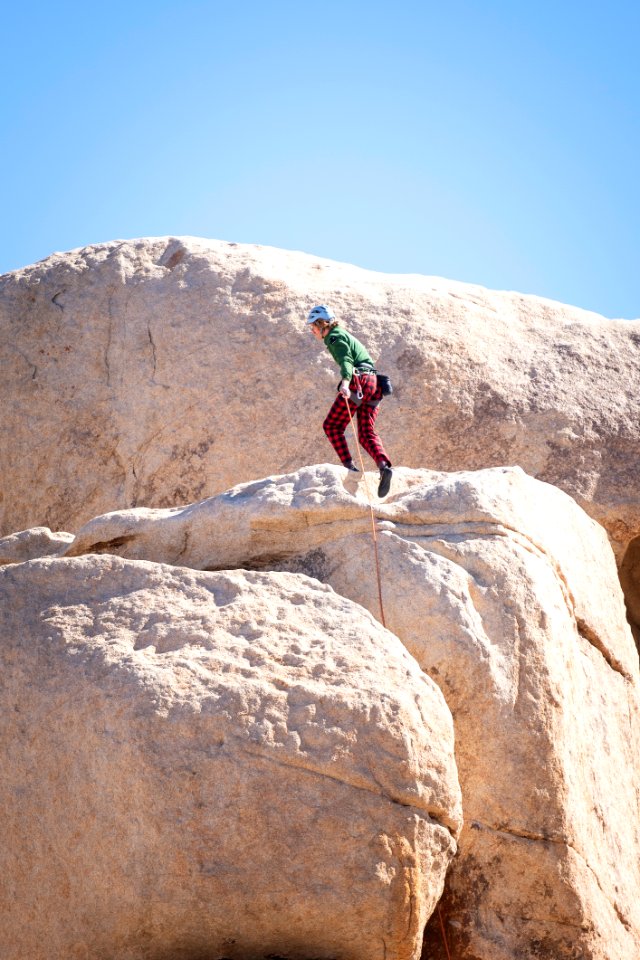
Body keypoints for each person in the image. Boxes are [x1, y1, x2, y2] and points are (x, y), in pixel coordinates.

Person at [307, 304, 393, 498]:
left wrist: (346, 383)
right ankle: (384, 466)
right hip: (374, 383)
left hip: (358, 381)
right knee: (366, 433)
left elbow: (346, 360)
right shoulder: (344, 334)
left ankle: (350, 468)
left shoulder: (334, 337)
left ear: (323, 324)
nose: (311, 331)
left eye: (313, 326)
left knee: (332, 426)